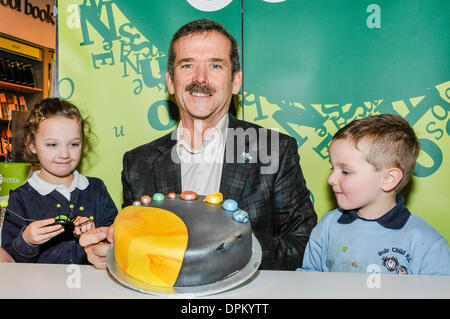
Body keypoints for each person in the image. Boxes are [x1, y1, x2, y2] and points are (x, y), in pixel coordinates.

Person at [80, 19, 317, 270]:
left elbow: (304, 244)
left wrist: (233, 247)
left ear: (236, 81)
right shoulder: (138, 163)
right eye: (187, 65)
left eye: (215, 65)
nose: (200, 78)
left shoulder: (274, 150)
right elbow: (138, 246)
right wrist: (114, 251)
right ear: (170, 81)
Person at [300, 114, 450, 275]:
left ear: (388, 179)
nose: (331, 179)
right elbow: (309, 280)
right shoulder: (328, 227)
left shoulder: (427, 243)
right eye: (332, 168)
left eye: (345, 171)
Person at [1, 98, 118, 264]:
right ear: (32, 144)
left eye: (74, 144)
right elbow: (9, 260)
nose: (64, 154)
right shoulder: (20, 198)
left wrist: (99, 235)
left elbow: (116, 238)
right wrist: (27, 240)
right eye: (52, 145)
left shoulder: (96, 189)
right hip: (40, 288)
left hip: (90, 287)